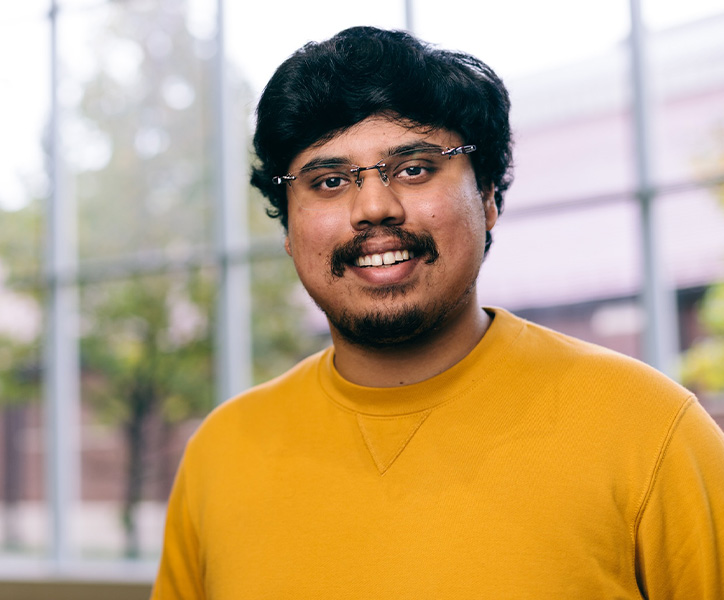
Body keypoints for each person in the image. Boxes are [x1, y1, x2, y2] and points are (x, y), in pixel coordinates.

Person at [151, 26, 724, 599]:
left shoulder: (649, 432)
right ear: (288, 231)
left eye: (415, 169)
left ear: (487, 198)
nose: (374, 207)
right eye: (328, 181)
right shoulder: (221, 455)